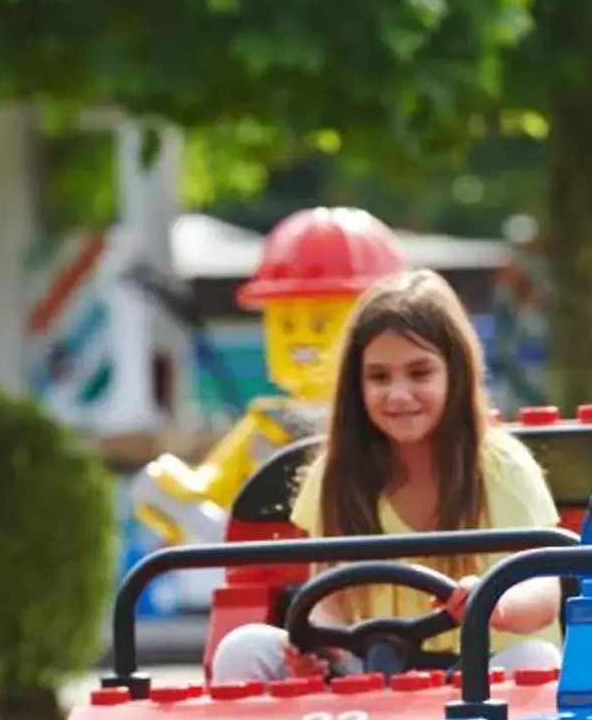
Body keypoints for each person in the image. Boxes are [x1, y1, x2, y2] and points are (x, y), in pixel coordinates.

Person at [208, 270, 563, 683]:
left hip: (478, 677)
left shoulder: (501, 466)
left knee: (535, 659)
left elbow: (543, 589)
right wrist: (319, 649)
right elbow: (329, 597)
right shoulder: (333, 473)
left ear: (456, 373)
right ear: (355, 386)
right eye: (379, 377)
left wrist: (493, 603)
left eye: (419, 373)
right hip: (369, 673)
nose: (398, 394)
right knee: (244, 647)